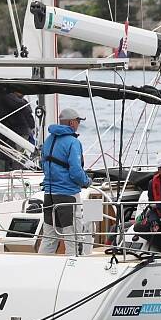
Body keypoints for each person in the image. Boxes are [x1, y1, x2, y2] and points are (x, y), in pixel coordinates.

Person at [39, 107, 91, 256]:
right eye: (78, 121)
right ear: (71, 123)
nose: (79, 124)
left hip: (49, 195)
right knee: (72, 238)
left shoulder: (48, 140)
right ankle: (74, 271)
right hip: (67, 195)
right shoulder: (73, 142)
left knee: (49, 238)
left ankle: (40, 268)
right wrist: (87, 182)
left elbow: (43, 165)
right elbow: (76, 172)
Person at [0, 89, 35, 170]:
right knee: (0, 163)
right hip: (2, 137)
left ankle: (21, 172)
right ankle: (0, 177)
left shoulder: (4, 96)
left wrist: (31, 127)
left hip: (18, 133)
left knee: (16, 161)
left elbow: (23, 105)